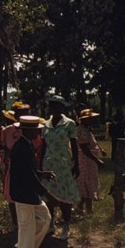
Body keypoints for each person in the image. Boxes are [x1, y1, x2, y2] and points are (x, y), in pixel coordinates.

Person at [9, 116, 62, 248]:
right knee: (27, 227)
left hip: (27, 194)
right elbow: (28, 176)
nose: (39, 132)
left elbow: (29, 171)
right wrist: (48, 195)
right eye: (36, 129)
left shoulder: (25, 145)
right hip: (23, 194)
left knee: (45, 219)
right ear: (28, 130)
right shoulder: (22, 147)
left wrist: (41, 173)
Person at [41, 95, 79, 240]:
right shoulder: (46, 124)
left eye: (58, 106)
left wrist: (77, 164)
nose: (54, 109)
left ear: (62, 108)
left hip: (64, 163)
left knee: (64, 195)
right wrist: (40, 165)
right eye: (52, 106)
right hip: (49, 162)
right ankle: (51, 224)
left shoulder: (69, 124)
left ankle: (66, 225)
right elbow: (44, 145)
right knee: (49, 194)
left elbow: (74, 145)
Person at [0, 102, 31, 232]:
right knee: (11, 194)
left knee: (28, 193)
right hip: (12, 165)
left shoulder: (32, 129)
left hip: (28, 165)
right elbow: (5, 148)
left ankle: (28, 221)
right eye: (20, 113)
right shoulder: (7, 130)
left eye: (25, 113)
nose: (23, 116)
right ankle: (14, 221)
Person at [76, 109, 106, 215]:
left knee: (89, 184)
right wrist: (97, 160)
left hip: (89, 161)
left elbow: (93, 143)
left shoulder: (87, 129)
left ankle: (81, 208)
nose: (92, 120)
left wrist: (101, 150)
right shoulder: (82, 130)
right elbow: (84, 148)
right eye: (90, 119)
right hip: (86, 161)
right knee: (87, 184)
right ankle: (88, 210)